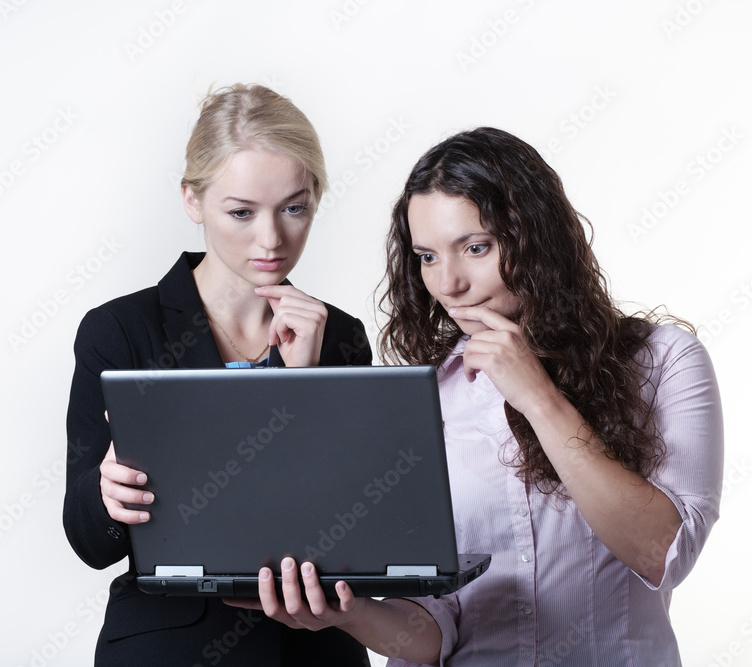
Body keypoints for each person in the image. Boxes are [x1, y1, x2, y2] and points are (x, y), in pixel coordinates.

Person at [226, 127, 723, 666]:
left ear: (539, 236)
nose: (449, 284)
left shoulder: (663, 361)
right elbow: (431, 627)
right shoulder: (426, 395)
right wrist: (344, 613)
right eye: (428, 257)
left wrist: (538, 398)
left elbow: (663, 555)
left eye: (476, 247)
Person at [62, 83, 372, 666]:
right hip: (170, 647)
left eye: (294, 207)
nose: (271, 238)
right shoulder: (121, 331)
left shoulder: (341, 335)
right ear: (192, 200)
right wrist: (106, 494)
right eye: (241, 212)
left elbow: (351, 529)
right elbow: (89, 543)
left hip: (313, 650)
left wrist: (300, 383)